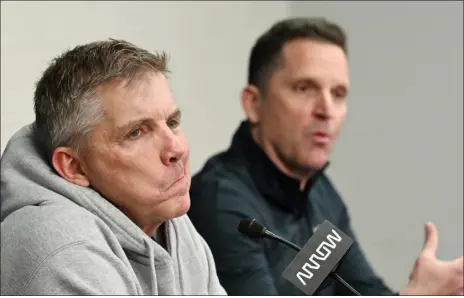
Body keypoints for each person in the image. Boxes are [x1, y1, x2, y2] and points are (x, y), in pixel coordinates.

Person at [187, 17, 464, 296]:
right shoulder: (221, 203)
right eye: (304, 88)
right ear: (254, 104)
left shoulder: (318, 192)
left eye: (338, 93)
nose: (326, 109)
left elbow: (365, 293)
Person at [1, 39, 227, 296]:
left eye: (172, 122)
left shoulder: (164, 215)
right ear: (74, 167)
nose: (176, 149)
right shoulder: (61, 245)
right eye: (136, 133)